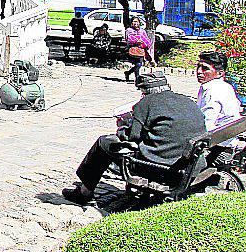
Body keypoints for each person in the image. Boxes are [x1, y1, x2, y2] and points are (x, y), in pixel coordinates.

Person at [61, 73, 206, 205]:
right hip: (188, 165)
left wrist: (122, 127)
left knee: (104, 142)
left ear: (145, 92)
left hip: (160, 167)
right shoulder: (188, 101)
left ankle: (84, 192)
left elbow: (132, 137)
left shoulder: (146, 104)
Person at [196, 50, 244, 141]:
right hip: (226, 139)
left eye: (205, 69)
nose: (199, 72)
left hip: (218, 144)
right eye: (198, 66)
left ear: (220, 73)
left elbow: (207, 124)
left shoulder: (213, 91)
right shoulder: (225, 86)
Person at [123, 16, 154, 82]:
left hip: (141, 50)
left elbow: (146, 39)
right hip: (132, 49)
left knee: (139, 64)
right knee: (138, 64)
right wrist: (135, 41)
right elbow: (128, 39)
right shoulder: (129, 30)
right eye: (134, 21)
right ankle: (137, 78)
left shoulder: (142, 31)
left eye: (136, 21)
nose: (135, 23)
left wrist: (146, 44)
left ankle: (128, 73)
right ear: (131, 23)